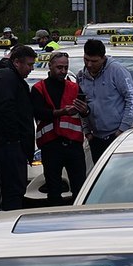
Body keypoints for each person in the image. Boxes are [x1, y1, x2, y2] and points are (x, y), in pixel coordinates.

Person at [30, 51, 89, 205]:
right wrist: (62, 112)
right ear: (50, 66)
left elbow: (86, 112)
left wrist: (85, 110)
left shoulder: (75, 87)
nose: (63, 71)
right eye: (59, 67)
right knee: (53, 190)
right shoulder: (39, 88)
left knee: (80, 188)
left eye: (65, 67)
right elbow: (38, 112)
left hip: (73, 145)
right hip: (51, 145)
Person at [0, 45, 37, 210]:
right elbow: (7, 110)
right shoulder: (7, 78)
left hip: (12, 145)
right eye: (29, 64)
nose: (31, 69)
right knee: (14, 191)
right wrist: (15, 141)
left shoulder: (12, 78)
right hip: (9, 146)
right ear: (16, 62)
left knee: (15, 190)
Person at [77, 39, 133, 163]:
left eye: (94, 61)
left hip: (116, 135)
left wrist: (122, 130)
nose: (89, 65)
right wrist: (87, 132)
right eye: (86, 60)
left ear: (103, 58)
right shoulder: (81, 76)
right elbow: (81, 105)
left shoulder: (117, 71)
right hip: (95, 138)